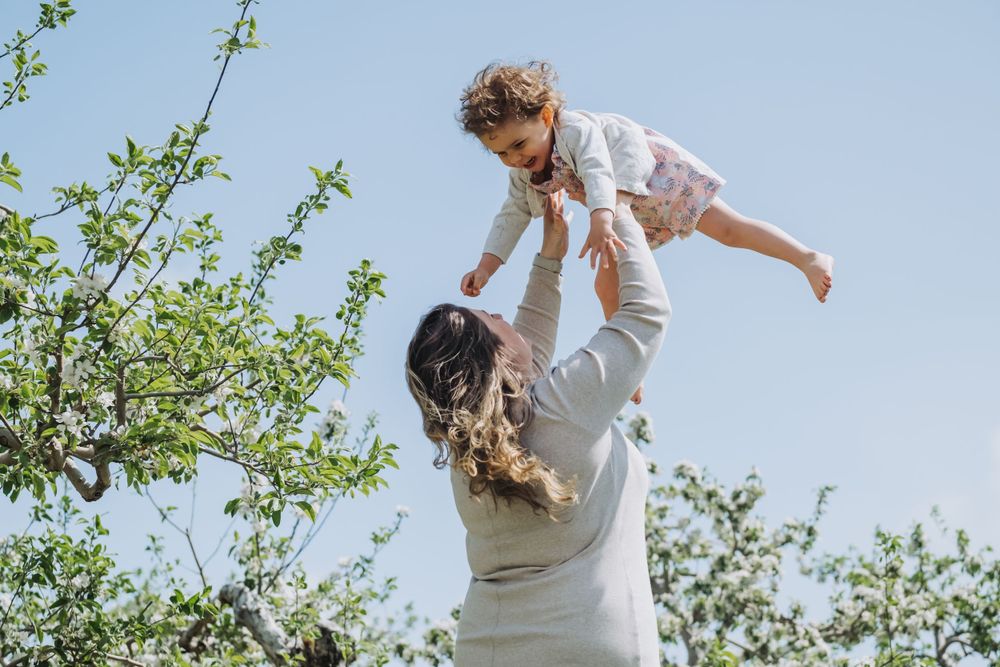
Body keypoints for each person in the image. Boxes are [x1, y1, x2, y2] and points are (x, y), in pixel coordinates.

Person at [458, 62, 834, 402]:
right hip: (618, 209)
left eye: (519, 145)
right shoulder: (523, 170)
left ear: (545, 115)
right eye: (501, 154)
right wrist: (486, 266)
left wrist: (601, 218)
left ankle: (807, 258)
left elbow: (597, 170)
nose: (514, 159)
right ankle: (628, 365)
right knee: (605, 286)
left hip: (654, 177)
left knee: (729, 230)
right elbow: (512, 214)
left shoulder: (574, 131)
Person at [406, 190, 669, 665]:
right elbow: (645, 315)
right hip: (590, 648)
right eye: (492, 318)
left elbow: (523, 367)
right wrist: (620, 208)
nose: (503, 316)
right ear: (494, 359)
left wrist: (550, 259)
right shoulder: (563, 411)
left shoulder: (472, 455)